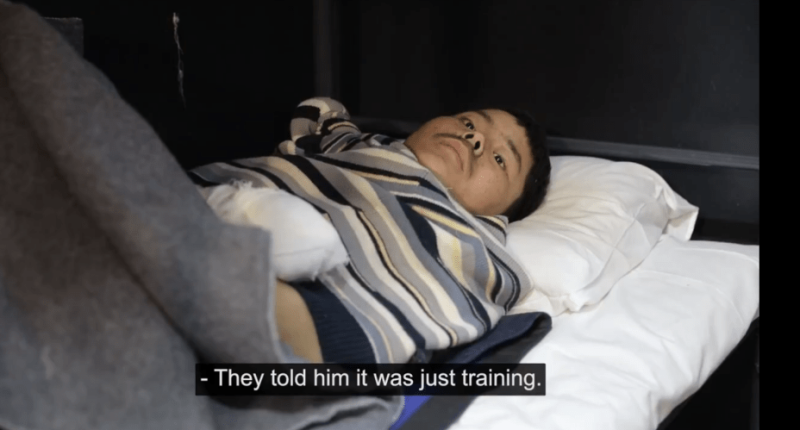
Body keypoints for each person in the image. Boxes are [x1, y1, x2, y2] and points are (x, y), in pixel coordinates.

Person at [190, 97, 551, 364]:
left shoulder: (475, 243)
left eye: (501, 158)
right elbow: (321, 112)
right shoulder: (362, 146)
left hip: (256, 303)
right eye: (469, 122)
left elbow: (438, 305)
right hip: (195, 200)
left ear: (504, 215)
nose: (474, 139)